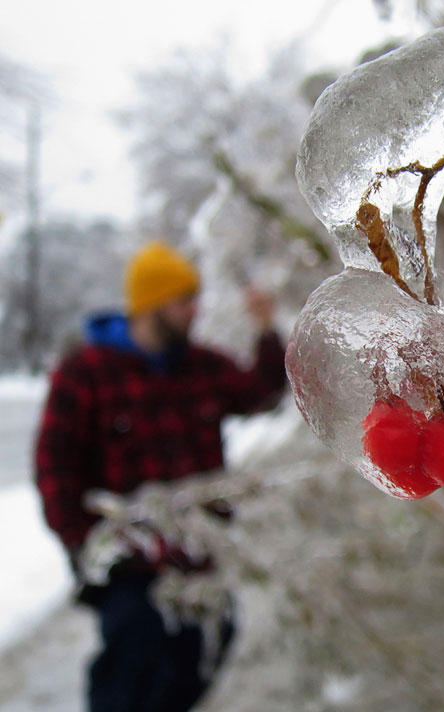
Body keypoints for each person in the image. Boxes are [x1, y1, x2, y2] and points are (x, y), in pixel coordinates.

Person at [33, 240, 287, 712]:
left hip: (199, 556)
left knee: (209, 646)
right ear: (152, 305)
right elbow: (54, 465)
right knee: (131, 669)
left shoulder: (202, 366)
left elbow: (261, 394)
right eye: (185, 300)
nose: (195, 310)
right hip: (130, 567)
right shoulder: (85, 372)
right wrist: (84, 544)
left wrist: (266, 327)